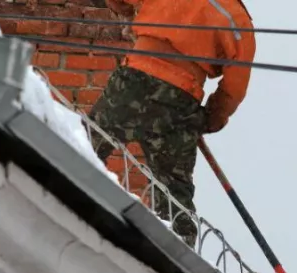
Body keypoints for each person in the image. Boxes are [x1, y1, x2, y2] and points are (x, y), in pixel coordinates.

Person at [93, 0, 256, 246]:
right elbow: (234, 88)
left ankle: (55, 186)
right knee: (173, 197)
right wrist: (210, 118)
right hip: (178, 102)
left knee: (86, 143)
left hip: (131, 82)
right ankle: (176, 263)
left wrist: (128, 12)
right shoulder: (237, 21)